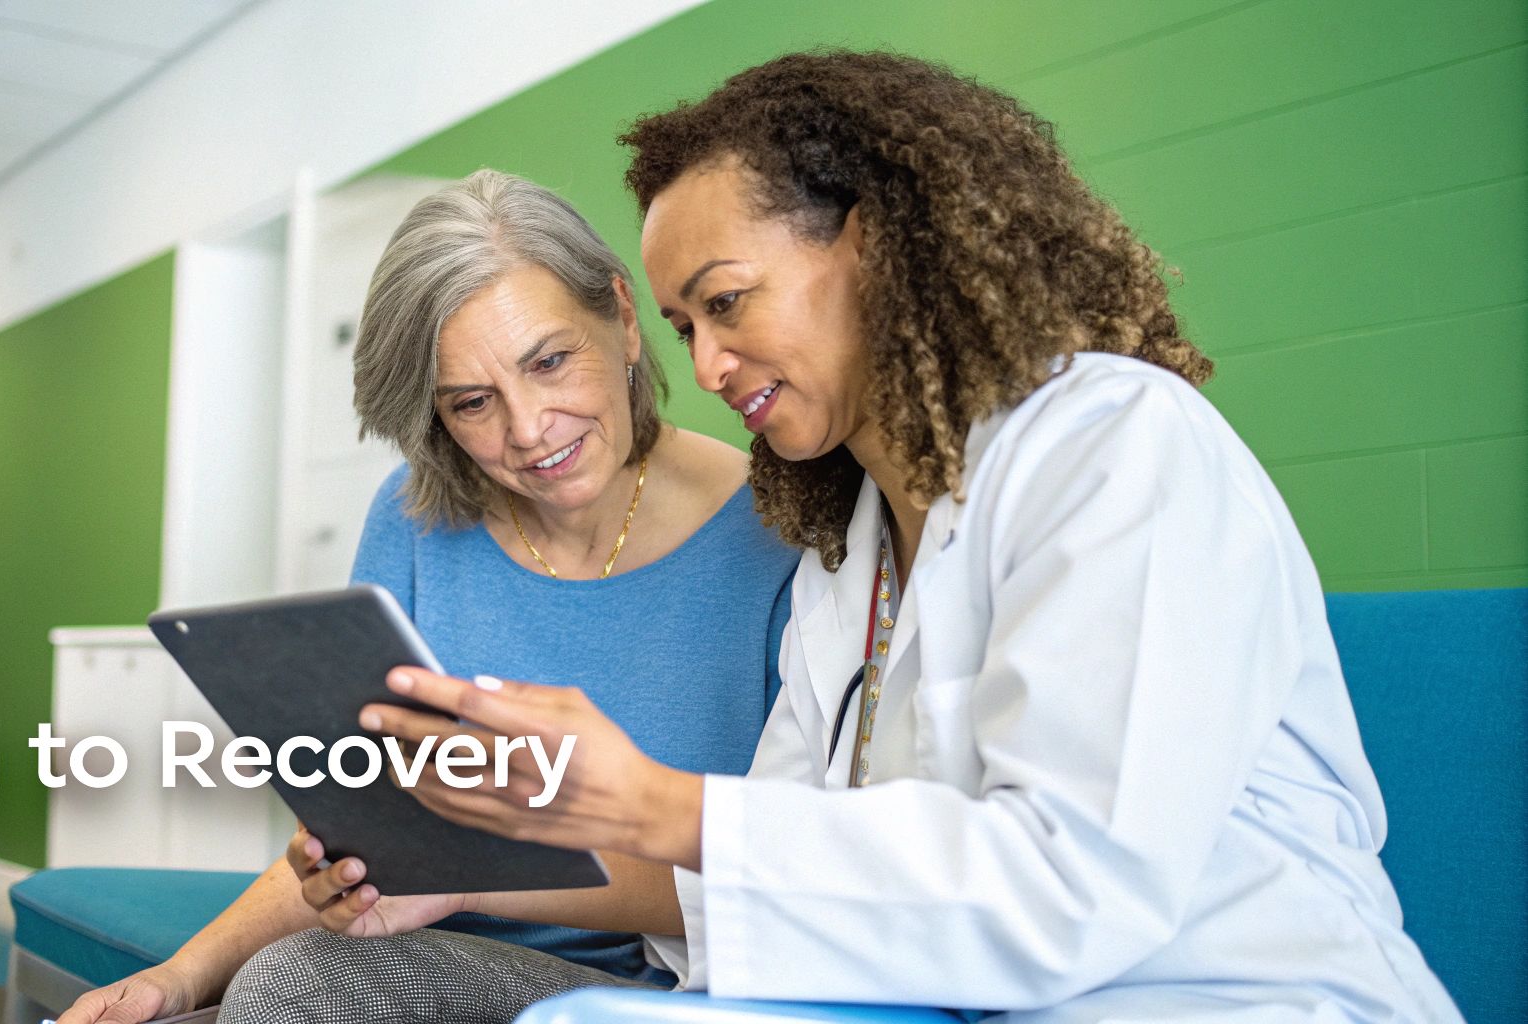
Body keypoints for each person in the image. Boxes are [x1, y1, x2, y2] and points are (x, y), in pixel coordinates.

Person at [357, 53, 1463, 1022]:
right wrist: (479, 869)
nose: (701, 368)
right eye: (685, 327)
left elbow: (1070, 888)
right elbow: (775, 875)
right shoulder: (850, 548)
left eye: (729, 302)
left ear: (874, 245)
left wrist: (651, 797)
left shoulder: (1115, 446)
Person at [56, 170, 797, 1024]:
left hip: (646, 988)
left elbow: (776, 880)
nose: (527, 430)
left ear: (624, 321)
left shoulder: (779, 530)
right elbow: (362, 828)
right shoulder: (413, 517)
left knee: (295, 986)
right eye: (473, 403)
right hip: (410, 957)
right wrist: (180, 977)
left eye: (551, 362)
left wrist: (465, 876)